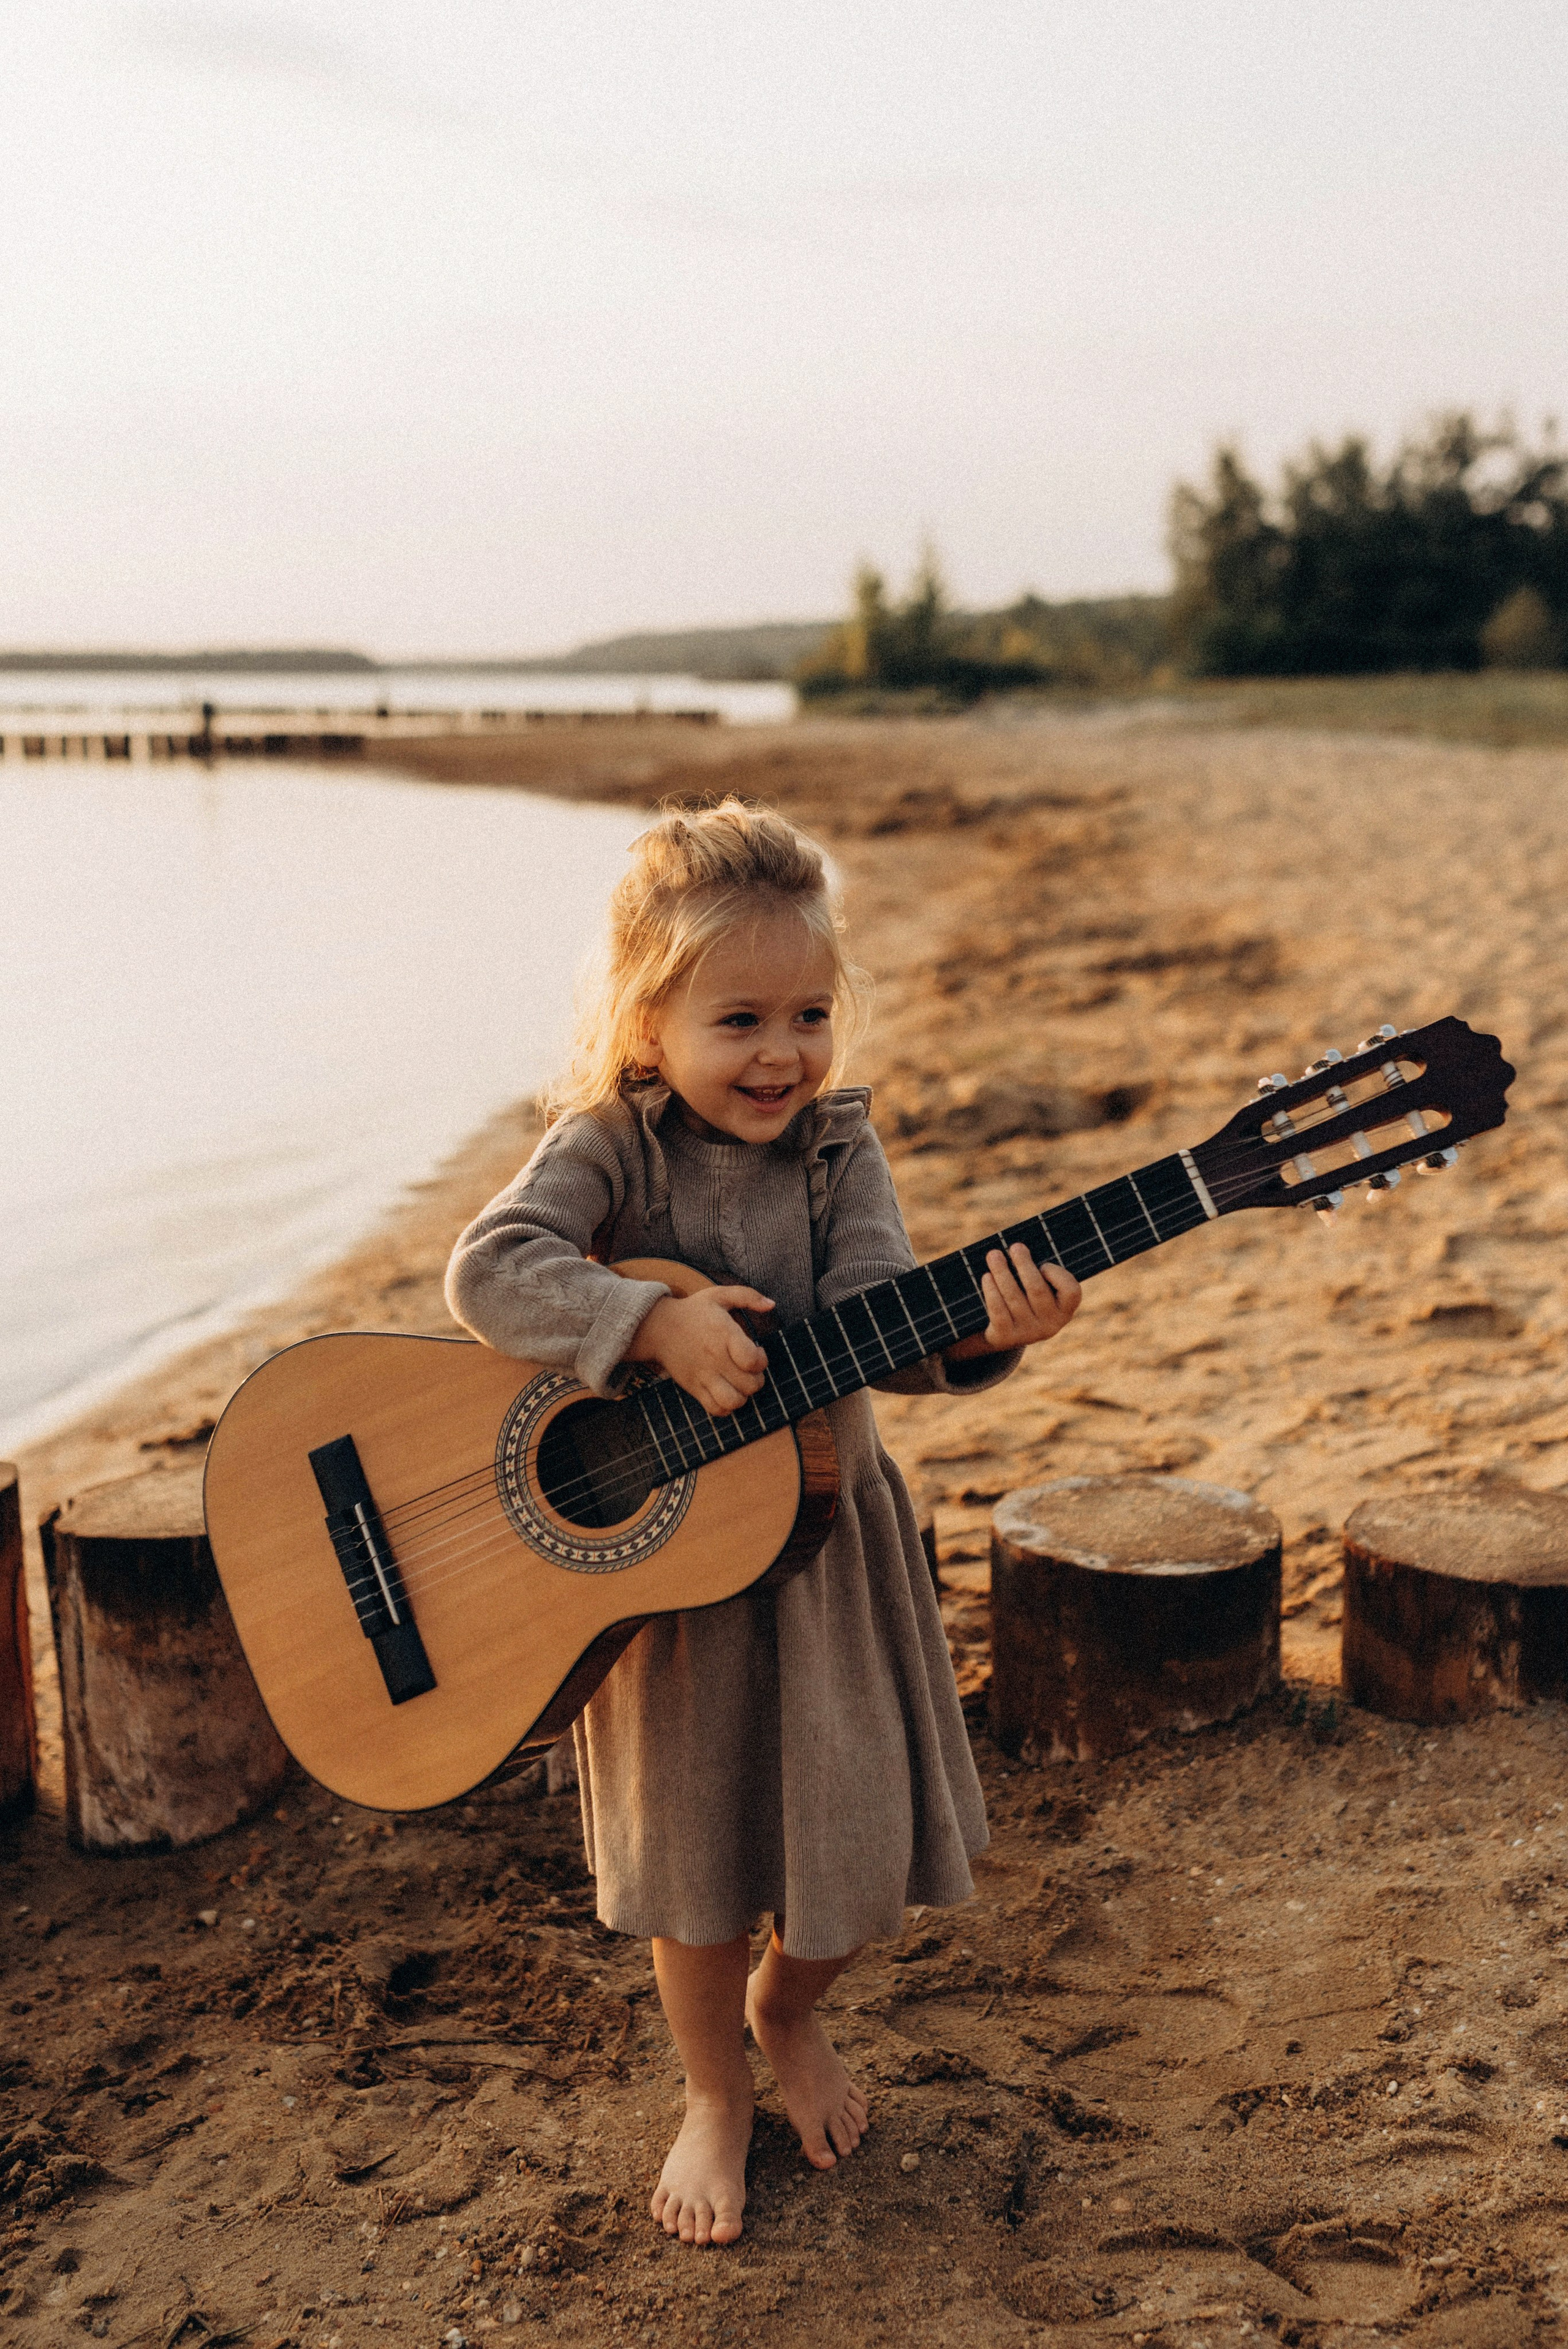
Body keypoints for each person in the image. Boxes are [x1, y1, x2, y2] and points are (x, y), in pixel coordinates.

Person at [444, 799, 1081, 2246]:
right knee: (697, 1871)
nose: (782, 1054)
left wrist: (984, 1335)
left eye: (808, 1015)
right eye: (738, 1020)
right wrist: (644, 1320)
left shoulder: (836, 1153)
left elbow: (875, 1316)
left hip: (825, 1556)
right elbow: (487, 1272)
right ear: (646, 1018)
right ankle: (713, 2088)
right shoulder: (608, 1146)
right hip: (664, 1588)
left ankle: (787, 2009)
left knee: (855, 1850)